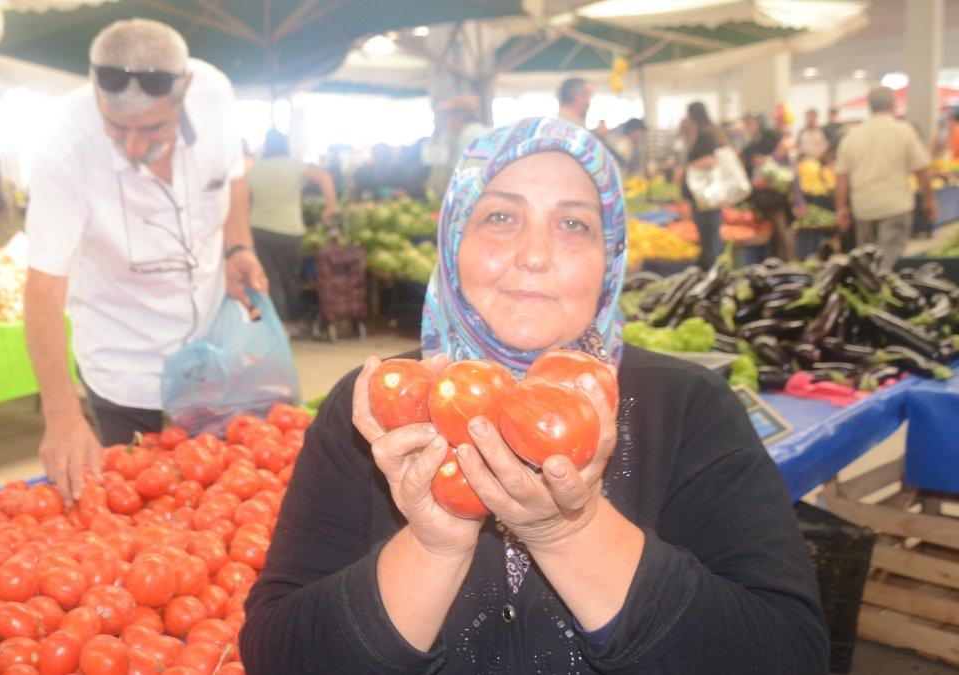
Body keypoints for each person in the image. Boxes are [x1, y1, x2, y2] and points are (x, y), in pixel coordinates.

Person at [240, 117, 827, 673]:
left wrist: (572, 532)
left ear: (611, 257)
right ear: (452, 240)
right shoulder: (374, 409)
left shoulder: (690, 408)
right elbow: (278, 654)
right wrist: (433, 546)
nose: (535, 254)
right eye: (499, 217)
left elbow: (788, 655)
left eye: (574, 224)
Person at [24, 18, 267, 503]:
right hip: (122, 355)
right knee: (139, 504)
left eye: (154, 127)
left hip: (209, 344)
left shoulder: (216, 95)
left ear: (186, 91)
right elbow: (43, 288)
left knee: (218, 495)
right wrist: (62, 413)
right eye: (117, 127)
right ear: (94, 94)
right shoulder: (62, 149)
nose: (135, 145)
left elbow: (233, 176)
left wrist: (238, 245)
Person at [247, 129, 340, 328]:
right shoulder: (294, 166)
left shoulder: (254, 170)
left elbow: (247, 202)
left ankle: (279, 323)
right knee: (290, 277)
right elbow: (324, 177)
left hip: (259, 229)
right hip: (290, 231)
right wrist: (331, 205)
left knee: (271, 278)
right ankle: (293, 321)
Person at [835, 86, 935, 269]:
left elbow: (841, 177)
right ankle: (883, 293)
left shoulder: (852, 135)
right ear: (892, 104)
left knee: (867, 261)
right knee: (889, 261)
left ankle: (869, 292)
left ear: (869, 106)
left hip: (863, 207)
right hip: (895, 205)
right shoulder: (904, 131)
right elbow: (922, 170)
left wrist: (842, 209)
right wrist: (928, 200)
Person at [680, 102, 728, 269]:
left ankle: (713, 271)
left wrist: (686, 168)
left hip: (707, 193)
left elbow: (710, 161)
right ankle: (709, 268)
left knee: (710, 234)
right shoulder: (703, 133)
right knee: (708, 234)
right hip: (701, 194)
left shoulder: (706, 135)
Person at [743, 112, 795, 260]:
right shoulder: (752, 142)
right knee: (767, 231)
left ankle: (787, 261)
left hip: (775, 194)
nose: (748, 127)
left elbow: (788, 151)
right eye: (746, 124)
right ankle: (773, 261)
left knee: (781, 231)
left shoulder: (772, 136)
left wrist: (768, 160)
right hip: (760, 196)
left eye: (750, 123)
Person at [427, 95, 489, 200]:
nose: (445, 123)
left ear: (458, 117)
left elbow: (463, 178)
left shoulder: (469, 137)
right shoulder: (478, 131)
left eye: (446, 118)